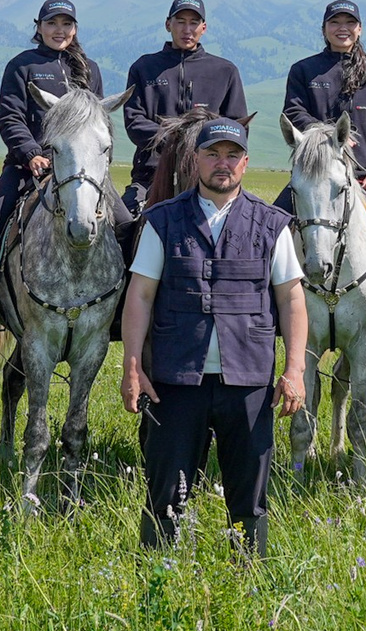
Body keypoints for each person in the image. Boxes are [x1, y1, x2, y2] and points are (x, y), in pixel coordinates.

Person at [118, 118, 308, 556]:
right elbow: (140, 297)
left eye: (232, 155)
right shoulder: (161, 221)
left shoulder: (272, 224)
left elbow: (292, 302)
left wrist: (294, 369)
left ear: (245, 162)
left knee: (249, 499)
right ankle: (160, 583)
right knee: (165, 493)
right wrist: (132, 367)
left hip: (248, 384)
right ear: (195, 160)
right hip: (174, 383)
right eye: (212, 154)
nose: (222, 164)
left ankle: (248, 585)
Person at [278, 0, 366, 343]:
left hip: (364, 179)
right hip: (314, 178)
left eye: (349, 22)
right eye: (335, 22)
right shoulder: (304, 71)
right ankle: (271, 312)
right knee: (269, 231)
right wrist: (326, 135)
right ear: (324, 28)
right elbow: (293, 112)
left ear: (359, 29)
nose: (342, 28)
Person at [0, 0, 118, 310]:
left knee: (126, 223)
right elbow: (10, 117)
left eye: (66, 24)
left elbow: (98, 124)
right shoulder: (22, 66)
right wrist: (31, 153)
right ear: (39, 27)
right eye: (52, 23)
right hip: (28, 168)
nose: (59, 30)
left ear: (75, 29)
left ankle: (117, 305)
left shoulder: (90, 71)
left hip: (81, 171)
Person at [119, 0, 249, 218]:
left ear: (204, 27)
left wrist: (205, 150)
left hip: (210, 178)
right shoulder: (144, 67)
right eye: (180, 22)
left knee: (249, 225)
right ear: (168, 24)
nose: (187, 30)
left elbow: (237, 127)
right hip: (150, 175)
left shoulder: (225, 71)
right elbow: (134, 121)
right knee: (122, 224)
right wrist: (176, 139)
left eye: (193, 23)